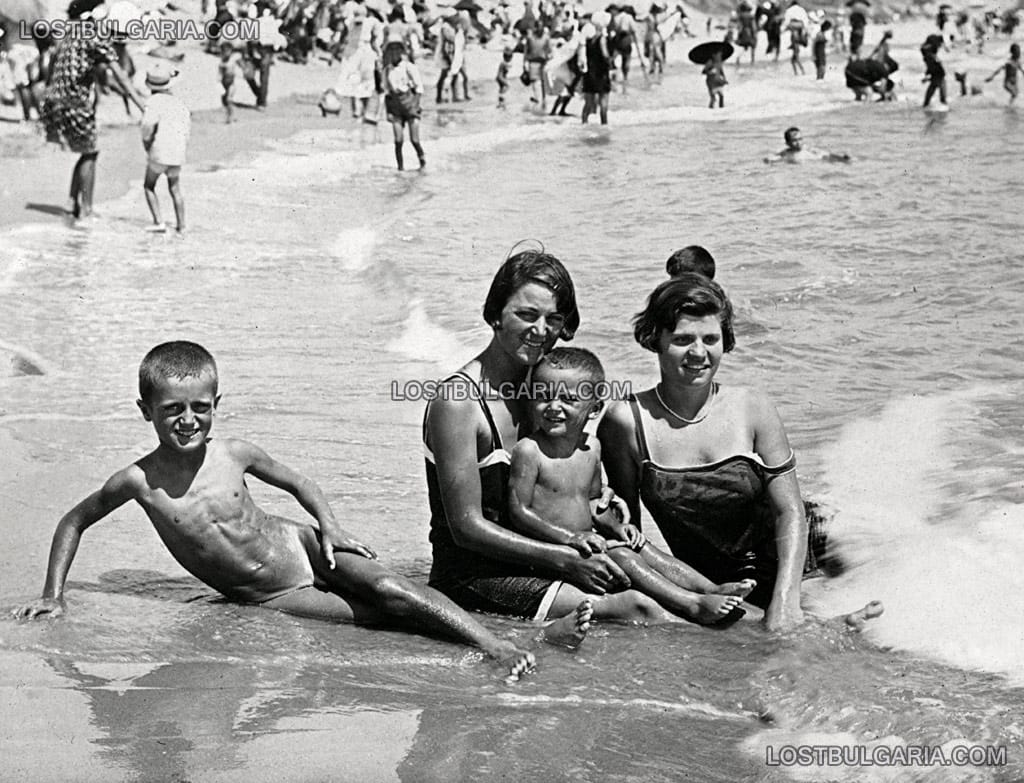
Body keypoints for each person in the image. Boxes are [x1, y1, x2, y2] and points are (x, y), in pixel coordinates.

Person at [13, 341, 535, 680]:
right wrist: (52, 595)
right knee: (374, 618)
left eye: (201, 407)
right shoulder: (137, 480)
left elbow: (299, 482)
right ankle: (499, 642)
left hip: (306, 546)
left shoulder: (234, 452)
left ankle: (496, 645)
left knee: (392, 587)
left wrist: (329, 526)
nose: (189, 420)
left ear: (217, 404)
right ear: (145, 411)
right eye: (173, 410)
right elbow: (73, 521)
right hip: (271, 593)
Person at [424, 249, 700, 638]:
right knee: (637, 605)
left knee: (645, 562)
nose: (540, 330)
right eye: (526, 314)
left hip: (537, 559)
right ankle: (719, 659)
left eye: (553, 319)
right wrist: (566, 559)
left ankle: (741, 617)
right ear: (495, 315)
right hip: (473, 578)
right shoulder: (459, 401)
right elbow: (466, 527)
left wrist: (599, 498)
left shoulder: (543, 395)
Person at [597, 275, 863, 631]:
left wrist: (785, 601)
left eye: (711, 339)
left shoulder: (752, 408)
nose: (698, 353)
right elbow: (632, 537)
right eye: (681, 340)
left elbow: (789, 510)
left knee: (828, 638)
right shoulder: (625, 421)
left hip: (803, 554)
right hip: (715, 581)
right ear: (654, 341)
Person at [508, 348, 753, 625]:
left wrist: (617, 527)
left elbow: (592, 502)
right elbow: (519, 510)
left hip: (586, 543)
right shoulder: (530, 451)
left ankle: (709, 588)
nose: (553, 406)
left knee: (642, 547)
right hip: (553, 555)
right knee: (624, 556)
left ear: (595, 409)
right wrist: (569, 538)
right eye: (543, 396)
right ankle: (691, 604)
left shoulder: (590, 448)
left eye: (568, 399)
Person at [39, 0, 144, 221]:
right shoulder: (100, 40)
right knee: (91, 152)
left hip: (54, 99)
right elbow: (121, 77)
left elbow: (58, 60)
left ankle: (70, 203)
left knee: (86, 152)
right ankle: (86, 210)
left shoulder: (78, 28)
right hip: (74, 101)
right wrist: (143, 106)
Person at [140, 62, 190, 233]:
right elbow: (186, 129)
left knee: (149, 185)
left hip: (159, 153)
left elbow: (147, 127)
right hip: (177, 153)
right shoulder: (179, 103)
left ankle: (158, 221)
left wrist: (147, 144)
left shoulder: (153, 102)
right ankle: (181, 226)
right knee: (175, 189)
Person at [382, 41, 425, 171]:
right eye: (391, 51)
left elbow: (419, 89)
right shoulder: (387, 70)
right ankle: (400, 168)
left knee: (414, 140)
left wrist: (415, 107)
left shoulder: (409, 67)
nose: (394, 54)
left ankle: (422, 162)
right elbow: (387, 93)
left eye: (397, 51)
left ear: (402, 52)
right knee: (398, 140)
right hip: (395, 106)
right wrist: (388, 111)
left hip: (410, 103)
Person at [581, 14, 613, 125]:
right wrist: (610, 62)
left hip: (589, 74)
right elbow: (605, 55)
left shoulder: (589, 39)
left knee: (588, 104)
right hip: (601, 74)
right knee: (603, 104)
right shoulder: (602, 39)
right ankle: (604, 126)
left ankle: (584, 124)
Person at [764, 126, 850, 163]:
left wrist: (842, 158)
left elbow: (826, 154)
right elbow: (773, 157)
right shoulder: (786, 153)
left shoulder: (808, 149)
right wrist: (769, 160)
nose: (798, 143)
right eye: (794, 140)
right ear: (788, 143)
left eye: (800, 139)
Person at [217, 41, 244, 123]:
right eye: (224, 51)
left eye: (228, 51)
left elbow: (241, 64)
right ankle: (230, 115)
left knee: (229, 99)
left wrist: (244, 70)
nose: (226, 53)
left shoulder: (233, 59)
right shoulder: (222, 61)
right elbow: (220, 72)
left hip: (232, 83)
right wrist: (218, 81)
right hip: (223, 82)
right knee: (224, 101)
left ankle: (230, 117)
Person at [920, 33, 947, 109]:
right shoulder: (931, 55)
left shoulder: (927, 54)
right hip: (938, 74)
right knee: (940, 89)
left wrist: (927, 75)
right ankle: (942, 105)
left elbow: (930, 67)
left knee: (933, 88)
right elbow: (935, 67)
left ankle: (926, 105)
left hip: (936, 73)